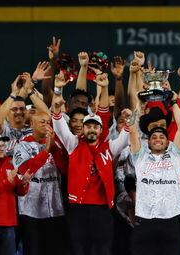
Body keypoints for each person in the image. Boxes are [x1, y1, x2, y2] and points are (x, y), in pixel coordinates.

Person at [52, 72, 132, 255]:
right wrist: (56, 108)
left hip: (102, 209)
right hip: (77, 208)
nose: (92, 130)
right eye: (88, 126)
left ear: (101, 129)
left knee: (103, 250)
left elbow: (126, 139)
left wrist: (130, 119)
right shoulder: (73, 144)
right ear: (84, 129)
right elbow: (59, 127)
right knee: (79, 249)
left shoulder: (109, 147)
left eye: (95, 127)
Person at [128, 92, 180, 255]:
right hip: (145, 219)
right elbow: (133, 131)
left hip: (171, 219)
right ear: (148, 141)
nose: (158, 139)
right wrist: (138, 106)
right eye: (154, 137)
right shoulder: (140, 157)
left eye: (162, 136)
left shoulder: (176, 156)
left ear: (168, 141)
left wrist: (174, 102)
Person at [13, 110, 66, 255]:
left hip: (55, 209)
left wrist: (53, 148)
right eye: (42, 122)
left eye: (48, 122)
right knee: (33, 250)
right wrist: (46, 150)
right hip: (31, 211)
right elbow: (24, 168)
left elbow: (65, 168)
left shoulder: (56, 145)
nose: (46, 125)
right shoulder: (21, 146)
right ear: (32, 123)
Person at [0, 68, 51, 158]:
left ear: (26, 111)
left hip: (33, 169)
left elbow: (47, 115)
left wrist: (29, 91)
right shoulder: (5, 130)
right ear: (8, 113)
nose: (19, 112)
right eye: (14, 109)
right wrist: (13, 94)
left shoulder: (34, 128)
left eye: (22, 109)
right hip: (10, 171)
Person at [0, 134, 32, 255]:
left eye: (2, 146)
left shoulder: (9, 164)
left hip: (9, 223)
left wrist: (23, 182)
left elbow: (20, 192)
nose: (1, 148)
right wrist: (7, 181)